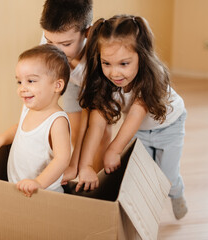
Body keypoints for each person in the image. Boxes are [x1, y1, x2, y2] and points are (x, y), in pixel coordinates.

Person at [76, 15, 188, 220]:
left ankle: (176, 191)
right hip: (141, 131)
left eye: (124, 63)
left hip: (169, 126)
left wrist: (113, 149)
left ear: (141, 56)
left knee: (167, 177)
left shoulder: (154, 76)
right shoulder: (104, 82)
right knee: (145, 175)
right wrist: (86, 166)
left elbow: (136, 114)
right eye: (106, 63)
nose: (114, 72)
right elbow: (96, 125)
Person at [0, 44, 71, 197]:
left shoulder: (57, 121)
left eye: (30, 81)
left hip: (44, 191)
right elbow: (19, 128)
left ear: (57, 85)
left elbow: (62, 159)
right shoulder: (28, 108)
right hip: (18, 185)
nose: (22, 88)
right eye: (19, 82)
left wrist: (38, 182)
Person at [40, 0, 109, 183]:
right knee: (76, 132)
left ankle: (97, 184)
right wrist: (72, 165)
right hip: (71, 79)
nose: (56, 51)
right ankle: (82, 174)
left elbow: (89, 112)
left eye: (66, 44)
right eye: (49, 42)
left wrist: (77, 166)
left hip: (97, 83)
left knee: (101, 134)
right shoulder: (53, 37)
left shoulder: (100, 56)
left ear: (87, 32)